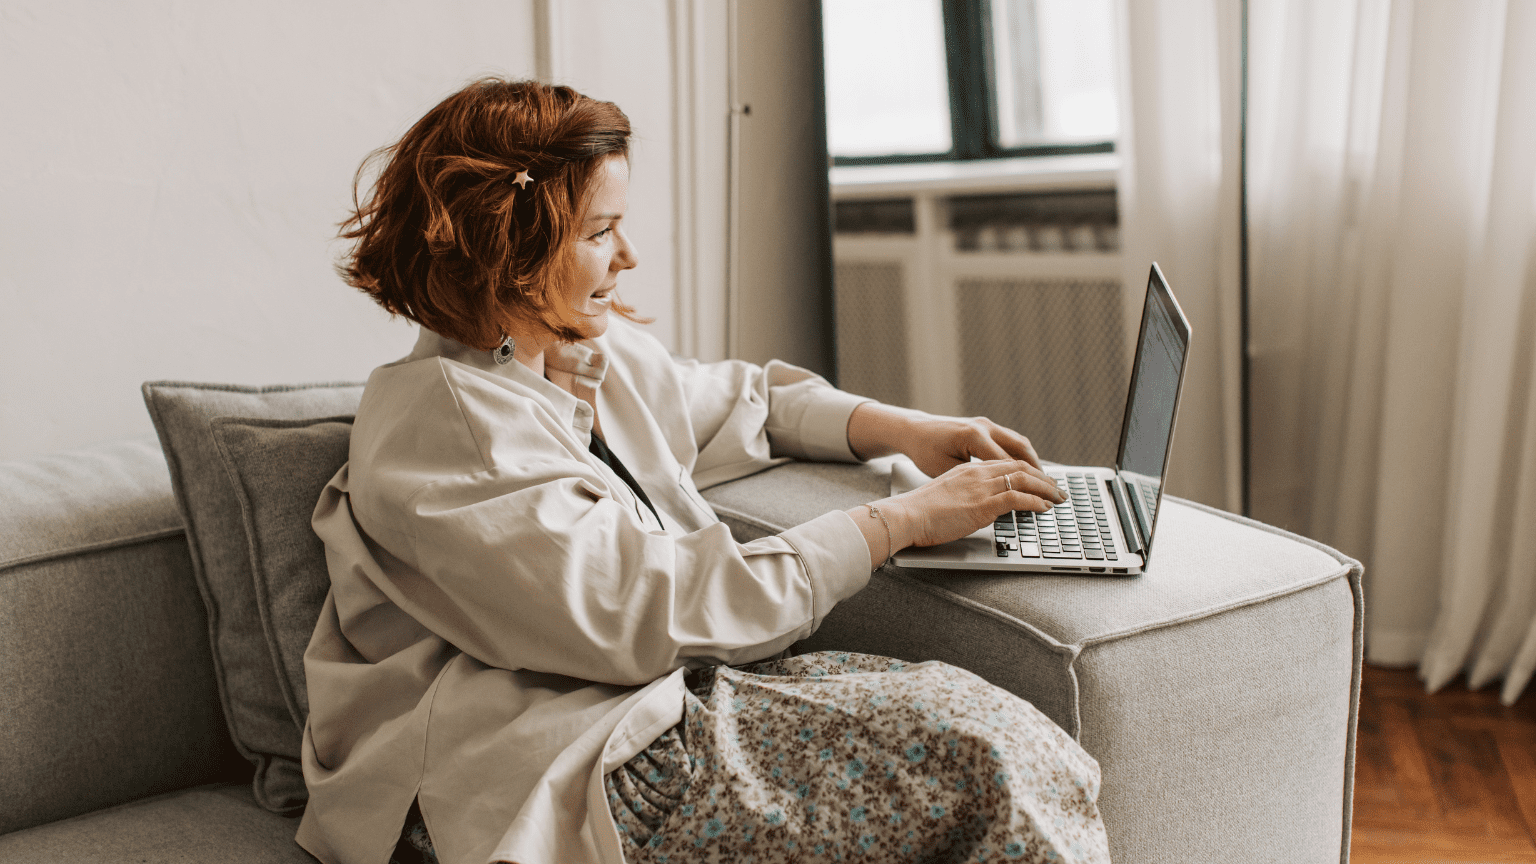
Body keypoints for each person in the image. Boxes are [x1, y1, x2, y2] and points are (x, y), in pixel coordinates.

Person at [297, 77, 1110, 864]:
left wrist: (907, 429)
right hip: (549, 770)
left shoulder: (577, 355)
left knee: (1003, 731)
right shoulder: (445, 432)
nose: (631, 254)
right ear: (505, 248)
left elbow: (738, 400)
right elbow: (643, 613)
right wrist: (898, 522)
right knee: (991, 760)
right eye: (599, 232)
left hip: (652, 709)